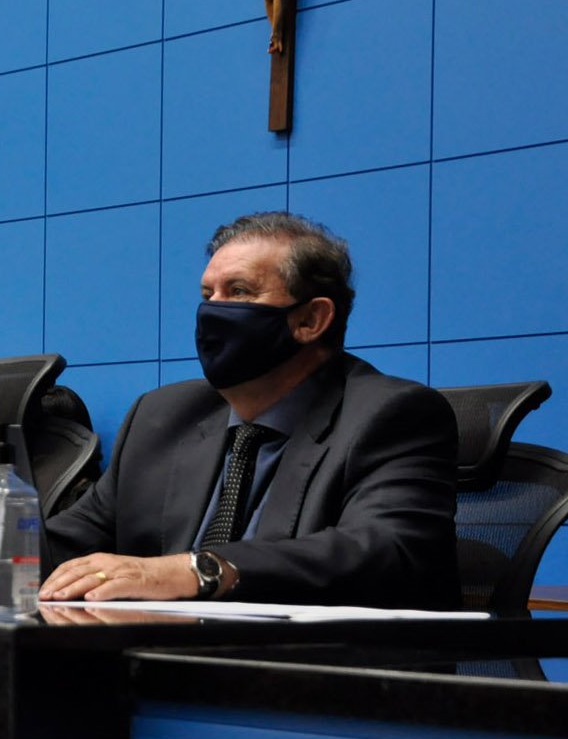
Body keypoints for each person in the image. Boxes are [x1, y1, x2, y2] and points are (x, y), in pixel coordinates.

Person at [37, 211, 459, 609]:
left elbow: (383, 550)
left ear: (310, 320)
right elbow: (65, 544)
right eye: (208, 295)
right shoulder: (162, 417)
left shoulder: (392, 415)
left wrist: (201, 570)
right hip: (157, 652)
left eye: (238, 292)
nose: (212, 311)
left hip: (311, 657)